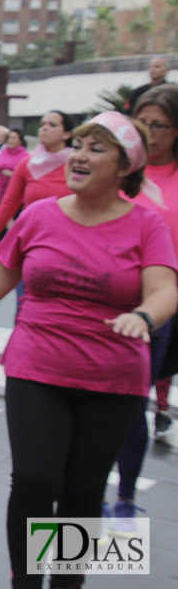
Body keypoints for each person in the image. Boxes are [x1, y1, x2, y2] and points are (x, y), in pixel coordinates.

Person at [0, 111, 177, 589]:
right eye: (78, 144)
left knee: (83, 488)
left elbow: (164, 288)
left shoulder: (146, 224)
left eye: (97, 148)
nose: (80, 155)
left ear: (124, 167)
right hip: (38, 367)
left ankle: (67, 583)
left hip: (113, 378)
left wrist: (145, 315)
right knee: (34, 480)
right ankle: (25, 582)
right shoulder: (39, 215)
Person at [105, 85, 178, 535]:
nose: (149, 132)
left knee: (130, 409)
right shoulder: (110, 168)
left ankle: (126, 501)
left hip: (152, 307)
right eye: (142, 122)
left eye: (160, 125)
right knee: (40, 473)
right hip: (88, 309)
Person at [0, 112, 74, 259]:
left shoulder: (76, 165)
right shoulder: (27, 164)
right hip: (34, 238)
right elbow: (10, 202)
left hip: (68, 241)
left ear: (67, 134)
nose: (44, 128)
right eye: (42, 124)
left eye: (52, 125)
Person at [0, 128, 28, 211]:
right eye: (9, 138)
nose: (10, 140)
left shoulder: (25, 155)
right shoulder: (3, 152)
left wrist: (12, 174)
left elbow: (27, 175)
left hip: (17, 194)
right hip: (2, 191)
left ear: (21, 140)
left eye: (14, 138)